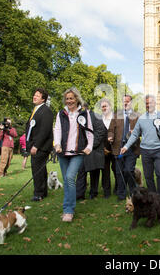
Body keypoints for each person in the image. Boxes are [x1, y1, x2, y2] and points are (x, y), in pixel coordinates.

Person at [121, 95, 160, 200]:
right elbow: (135, 134)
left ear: (155, 103)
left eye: (150, 102)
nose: (148, 105)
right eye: (146, 103)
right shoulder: (141, 118)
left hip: (159, 150)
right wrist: (126, 146)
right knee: (148, 176)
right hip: (145, 151)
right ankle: (153, 197)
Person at [54, 87, 93, 222]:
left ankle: (68, 210)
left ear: (77, 99)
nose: (69, 101)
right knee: (66, 180)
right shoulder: (61, 114)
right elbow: (57, 130)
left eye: (71, 98)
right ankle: (67, 208)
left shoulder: (84, 113)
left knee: (70, 177)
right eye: (67, 98)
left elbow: (90, 131)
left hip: (78, 152)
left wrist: (89, 147)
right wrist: (57, 145)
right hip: (63, 152)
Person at [108, 94, 141, 201]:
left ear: (131, 103)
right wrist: (110, 136)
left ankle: (133, 193)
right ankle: (121, 195)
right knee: (119, 172)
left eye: (127, 101)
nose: (125, 103)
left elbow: (142, 130)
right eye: (123, 101)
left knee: (128, 170)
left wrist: (135, 132)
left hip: (132, 148)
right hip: (118, 147)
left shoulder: (137, 116)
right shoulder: (116, 114)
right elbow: (111, 129)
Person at [26, 88, 54, 202]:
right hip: (35, 145)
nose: (34, 96)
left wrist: (36, 146)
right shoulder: (36, 110)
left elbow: (44, 130)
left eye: (37, 95)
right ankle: (42, 191)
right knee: (39, 169)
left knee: (37, 169)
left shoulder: (46, 111)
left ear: (43, 99)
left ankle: (38, 193)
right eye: (34, 94)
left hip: (40, 146)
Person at [76, 103, 107, 200]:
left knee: (94, 173)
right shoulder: (79, 117)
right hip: (82, 150)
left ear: (85, 108)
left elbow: (101, 131)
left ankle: (93, 192)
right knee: (81, 172)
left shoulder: (95, 116)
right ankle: (80, 194)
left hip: (94, 150)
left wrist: (90, 146)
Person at [100, 98, 115, 198]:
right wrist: (102, 148)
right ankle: (107, 192)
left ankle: (118, 189)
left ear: (110, 107)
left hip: (115, 148)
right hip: (103, 149)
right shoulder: (99, 119)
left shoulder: (116, 118)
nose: (104, 108)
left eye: (106, 106)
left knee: (116, 169)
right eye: (102, 106)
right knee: (105, 171)